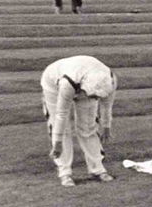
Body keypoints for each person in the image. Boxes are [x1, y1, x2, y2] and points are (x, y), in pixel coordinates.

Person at [40, 55, 116, 186]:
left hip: (83, 82)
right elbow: (61, 114)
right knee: (63, 129)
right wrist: (57, 142)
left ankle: (97, 169)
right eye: (93, 96)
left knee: (88, 127)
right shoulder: (67, 83)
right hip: (55, 83)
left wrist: (106, 127)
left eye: (96, 96)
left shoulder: (111, 80)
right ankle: (65, 173)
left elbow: (106, 106)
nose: (94, 98)